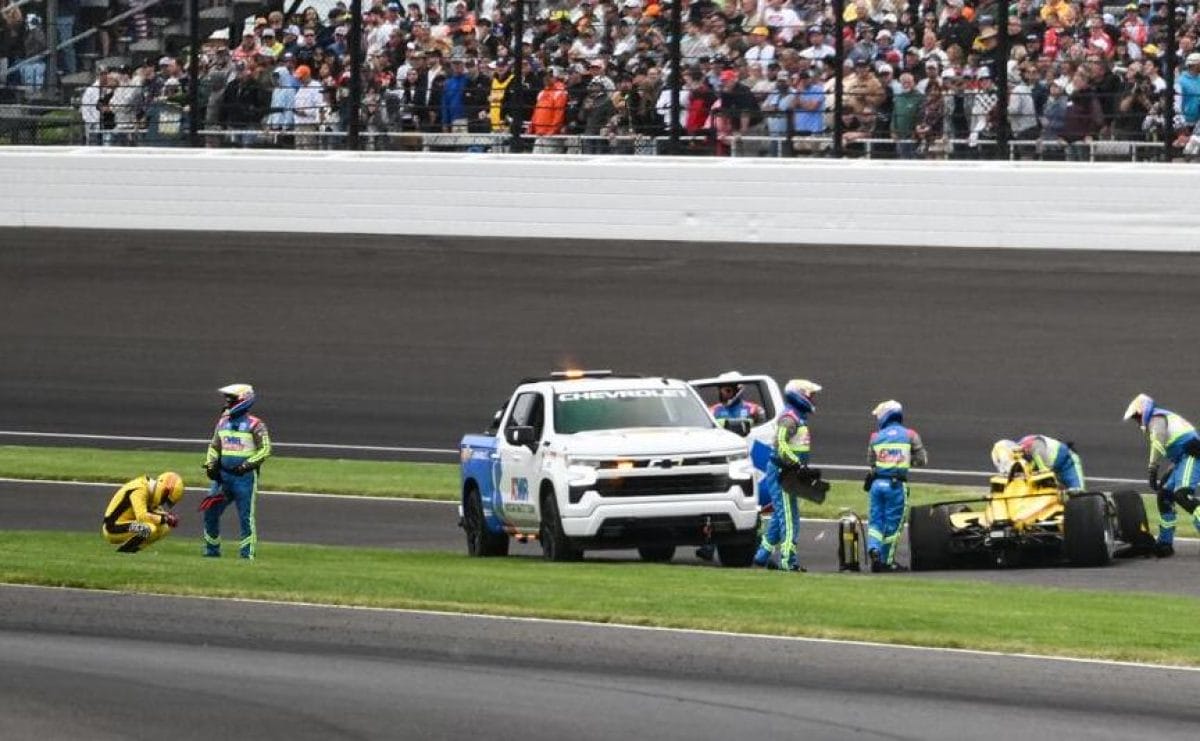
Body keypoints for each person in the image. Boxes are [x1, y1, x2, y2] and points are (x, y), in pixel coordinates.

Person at [753, 379, 821, 572]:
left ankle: (762, 554)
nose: (813, 399)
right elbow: (780, 444)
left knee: (780, 515)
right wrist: (798, 464)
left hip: (789, 471)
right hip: (783, 473)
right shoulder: (789, 418)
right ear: (799, 395)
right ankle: (787, 561)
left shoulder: (798, 417)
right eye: (810, 395)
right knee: (790, 518)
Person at [1123, 394, 1200, 557]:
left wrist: (1152, 468)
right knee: (1165, 495)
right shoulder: (1161, 417)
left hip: (1192, 457)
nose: (1137, 421)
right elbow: (1177, 447)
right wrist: (1168, 472)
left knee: (1182, 495)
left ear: (1143, 410)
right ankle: (1165, 543)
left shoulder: (1156, 419)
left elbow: (1158, 442)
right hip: (1184, 458)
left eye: (1137, 416)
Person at [201, 383, 272, 559]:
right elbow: (214, 447)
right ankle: (211, 551)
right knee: (210, 511)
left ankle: (246, 555)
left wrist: (247, 465)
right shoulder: (222, 422)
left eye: (230, 399)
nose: (227, 403)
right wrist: (210, 464)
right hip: (222, 478)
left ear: (243, 400)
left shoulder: (255, 424)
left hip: (245, 479)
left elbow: (265, 449)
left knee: (245, 518)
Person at [864, 400, 927, 572]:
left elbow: (871, 462)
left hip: (877, 485)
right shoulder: (910, 435)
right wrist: (906, 460)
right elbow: (922, 460)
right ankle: (886, 562)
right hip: (896, 486)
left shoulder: (875, 437)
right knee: (893, 525)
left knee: (875, 521)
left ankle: (874, 550)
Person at [102, 472, 185, 553]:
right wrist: (165, 518)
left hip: (128, 523)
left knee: (165, 527)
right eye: (164, 499)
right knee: (148, 528)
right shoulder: (140, 489)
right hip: (113, 527)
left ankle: (134, 551)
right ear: (163, 489)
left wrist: (168, 517)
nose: (162, 502)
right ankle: (123, 552)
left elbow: (155, 512)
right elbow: (142, 516)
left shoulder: (150, 492)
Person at [1017, 434, 1085, 492]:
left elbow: (1043, 470)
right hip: (1053, 465)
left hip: (1067, 463)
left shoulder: (1035, 448)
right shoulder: (1019, 450)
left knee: (1077, 492)